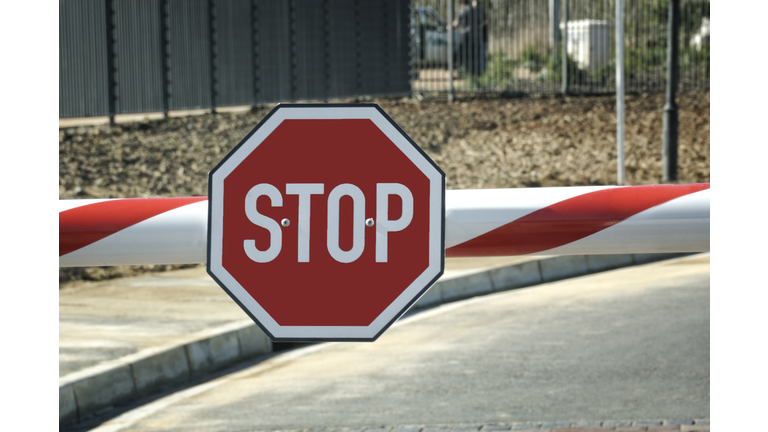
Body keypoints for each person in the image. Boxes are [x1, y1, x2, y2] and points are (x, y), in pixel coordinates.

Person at [453, 0, 488, 77]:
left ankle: (467, 73)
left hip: (467, 37)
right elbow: (485, 19)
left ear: (462, 3)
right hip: (477, 37)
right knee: (475, 56)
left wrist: (450, 26)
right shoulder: (476, 10)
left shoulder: (463, 11)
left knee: (466, 55)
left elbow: (456, 23)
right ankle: (477, 74)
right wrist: (480, 26)